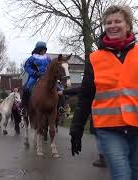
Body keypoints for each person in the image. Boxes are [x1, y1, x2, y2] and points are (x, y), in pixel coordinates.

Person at [69, 5, 138, 180]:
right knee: (122, 175)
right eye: (108, 22)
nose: (112, 25)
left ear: (128, 25)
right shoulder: (95, 58)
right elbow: (85, 97)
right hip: (109, 129)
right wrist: (76, 129)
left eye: (117, 21)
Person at [21, 41, 51, 111]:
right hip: (35, 76)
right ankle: (24, 108)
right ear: (38, 50)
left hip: (46, 77)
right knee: (27, 88)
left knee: (59, 88)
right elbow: (27, 67)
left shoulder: (48, 58)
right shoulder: (32, 58)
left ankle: (60, 107)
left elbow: (51, 67)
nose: (44, 51)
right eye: (43, 50)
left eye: (45, 50)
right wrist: (34, 73)